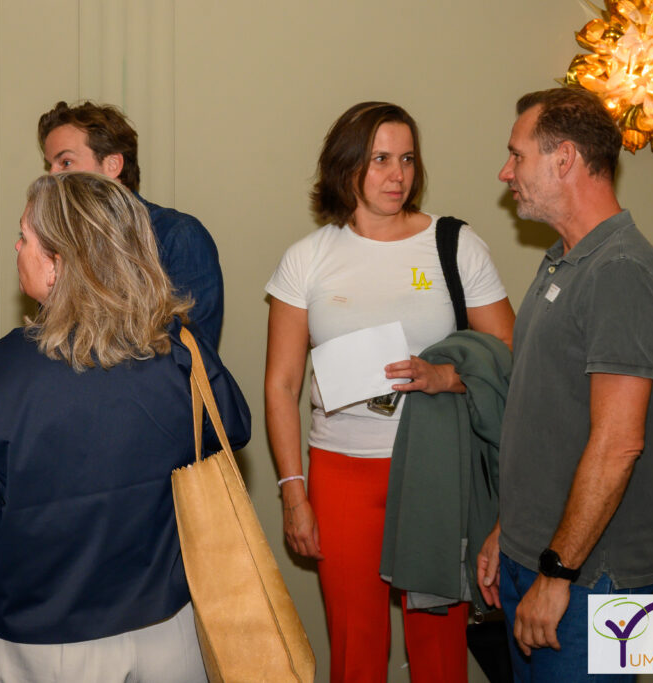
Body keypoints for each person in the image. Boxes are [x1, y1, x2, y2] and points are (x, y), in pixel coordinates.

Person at [0, 172, 250, 682]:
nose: (16, 247)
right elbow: (232, 430)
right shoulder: (184, 356)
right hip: (173, 633)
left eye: (25, 236)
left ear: (57, 264)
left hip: (48, 645)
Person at [264, 102, 515, 683]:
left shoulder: (454, 245)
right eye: (379, 159)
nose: (396, 175)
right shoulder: (308, 258)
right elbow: (282, 384)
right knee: (355, 649)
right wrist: (293, 492)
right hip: (342, 471)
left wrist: (446, 377)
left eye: (406, 159)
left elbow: (507, 352)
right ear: (346, 165)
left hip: (435, 466)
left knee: (439, 647)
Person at [477, 87, 653, 682]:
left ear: (563, 158)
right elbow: (547, 418)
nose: (506, 172)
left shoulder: (623, 270)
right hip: (538, 561)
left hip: (602, 582)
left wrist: (558, 573)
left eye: (517, 156)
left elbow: (619, 445)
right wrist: (510, 529)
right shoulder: (564, 260)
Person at [37, 100, 225, 348]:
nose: (52, 177)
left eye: (66, 163)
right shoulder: (61, 244)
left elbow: (191, 352)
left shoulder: (178, 236)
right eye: (50, 165)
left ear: (113, 165)